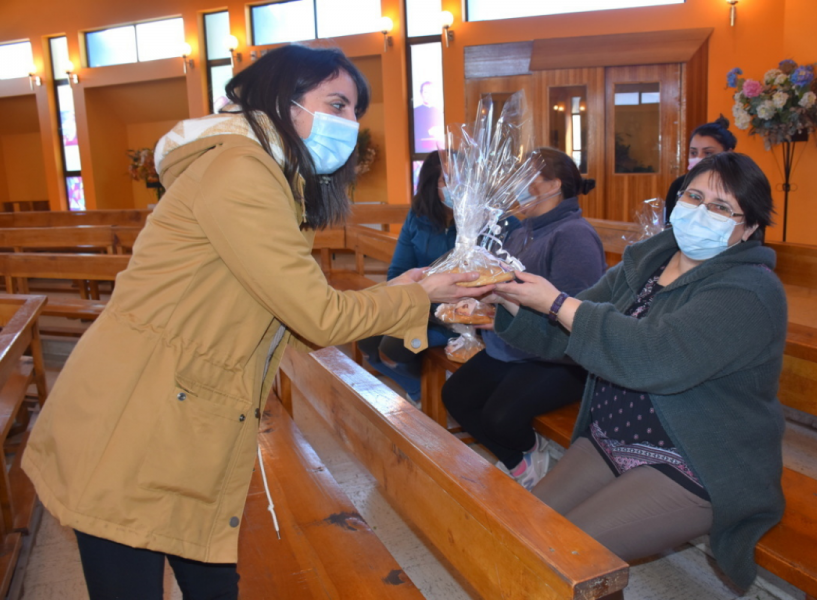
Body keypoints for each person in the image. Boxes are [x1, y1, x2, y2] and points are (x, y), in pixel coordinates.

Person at [22, 45, 484, 599]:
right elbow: (316, 314)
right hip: (137, 417)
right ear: (283, 100)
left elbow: (284, 304)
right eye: (336, 104)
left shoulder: (270, 176)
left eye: (355, 111)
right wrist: (419, 294)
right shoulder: (242, 172)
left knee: (214, 579)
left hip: (183, 413)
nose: (349, 124)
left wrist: (401, 290)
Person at [487, 152, 787, 591]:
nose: (702, 212)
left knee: (562, 553)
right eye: (694, 196)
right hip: (613, 438)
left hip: (695, 460)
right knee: (519, 530)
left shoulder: (751, 290)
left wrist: (556, 302)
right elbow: (565, 335)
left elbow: (655, 356)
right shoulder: (646, 263)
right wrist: (508, 297)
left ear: (750, 227)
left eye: (721, 207)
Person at [442, 147, 607, 490]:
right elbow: (505, 285)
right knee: (456, 395)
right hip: (514, 345)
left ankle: (533, 458)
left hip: (559, 357)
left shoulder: (574, 235)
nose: (514, 187)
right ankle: (526, 460)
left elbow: (576, 309)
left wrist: (505, 313)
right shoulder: (524, 230)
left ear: (552, 186)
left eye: (524, 179)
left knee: (500, 417)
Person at [358, 151, 456, 405]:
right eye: (448, 181)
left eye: (462, 180)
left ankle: (434, 395)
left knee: (392, 348)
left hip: (456, 316)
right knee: (366, 340)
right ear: (431, 185)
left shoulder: (483, 220)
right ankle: (418, 389)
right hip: (418, 304)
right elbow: (398, 271)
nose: (457, 188)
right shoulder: (418, 216)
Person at [664, 116, 737, 221]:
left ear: (728, 153)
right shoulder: (679, 185)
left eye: (708, 153)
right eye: (694, 153)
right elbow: (669, 224)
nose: (699, 159)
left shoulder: (740, 187)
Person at [413, 81, 443, 153]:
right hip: (421, 150)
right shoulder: (415, 111)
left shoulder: (438, 111)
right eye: (425, 92)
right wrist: (429, 132)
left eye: (430, 92)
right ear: (421, 94)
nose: (428, 95)